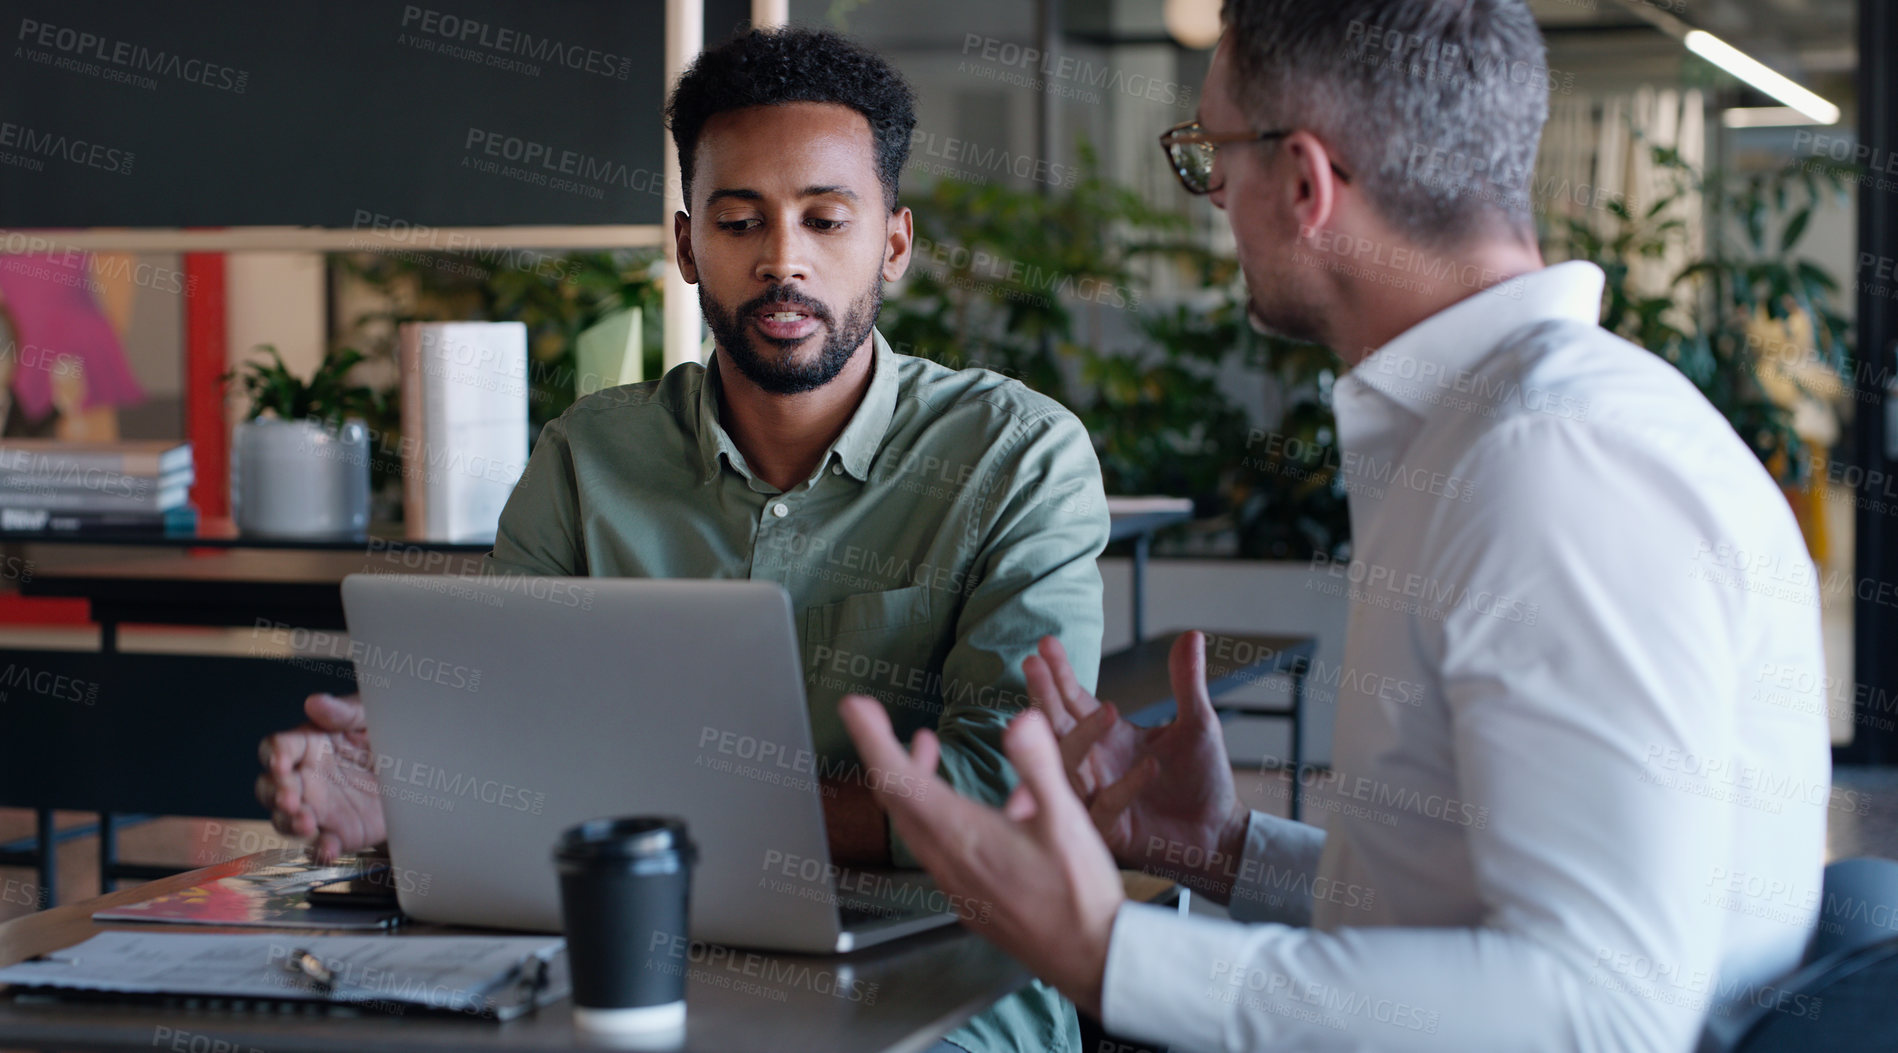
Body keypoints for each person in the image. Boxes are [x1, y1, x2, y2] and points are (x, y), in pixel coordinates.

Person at [839, 1, 1831, 1050]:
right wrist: (1226, 849)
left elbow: (1600, 1011)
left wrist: (1107, 953)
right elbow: (1475, 924)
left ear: (1304, 183)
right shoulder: (1495, 435)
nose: (1213, 193)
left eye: (1213, 153)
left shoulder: (1549, 461)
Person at [255, 27, 1107, 1053]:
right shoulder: (587, 458)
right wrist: (410, 782)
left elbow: (1002, 787)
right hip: (627, 948)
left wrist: (651, 794)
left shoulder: (1015, 458)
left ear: (892, 243)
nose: (782, 260)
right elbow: (509, 724)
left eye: (825, 220)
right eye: (739, 220)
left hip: (938, 970)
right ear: (686, 243)